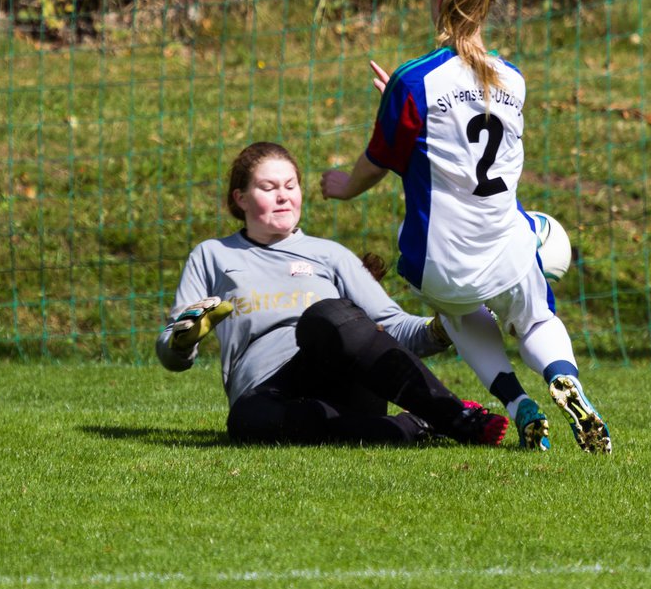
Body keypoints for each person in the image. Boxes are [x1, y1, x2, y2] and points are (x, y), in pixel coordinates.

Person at [320, 0, 611, 454]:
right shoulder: (513, 80)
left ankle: (519, 404)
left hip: (441, 262)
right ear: (485, 4)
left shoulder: (414, 81)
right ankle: (565, 379)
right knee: (538, 319)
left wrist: (343, 184)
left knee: (460, 314)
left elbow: (381, 160)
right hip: (507, 246)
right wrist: (403, 102)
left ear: (435, 0)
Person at [156, 141, 510, 447]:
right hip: (269, 392)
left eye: (290, 186)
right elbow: (171, 353)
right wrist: (182, 340)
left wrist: (443, 327)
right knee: (246, 422)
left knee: (324, 316)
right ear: (241, 198)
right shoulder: (212, 255)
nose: (283, 196)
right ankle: (414, 425)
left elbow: (392, 327)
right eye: (268, 187)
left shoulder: (330, 254)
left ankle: (454, 416)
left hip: (348, 383)